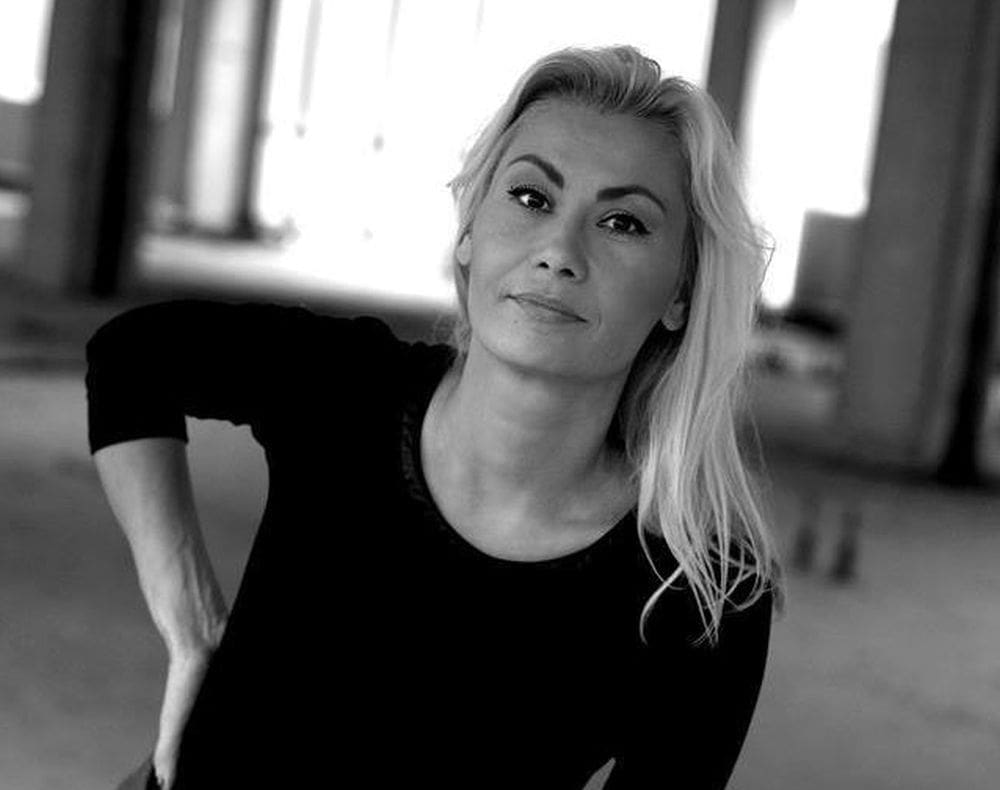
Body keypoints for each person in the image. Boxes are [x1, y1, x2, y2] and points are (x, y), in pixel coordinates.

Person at [87, 44, 782, 789]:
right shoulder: (347, 388)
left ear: (681, 292)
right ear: (469, 232)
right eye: (531, 198)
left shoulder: (702, 597)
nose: (559, 251)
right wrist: (191, 621)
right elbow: (133, 356)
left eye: (623, 222)